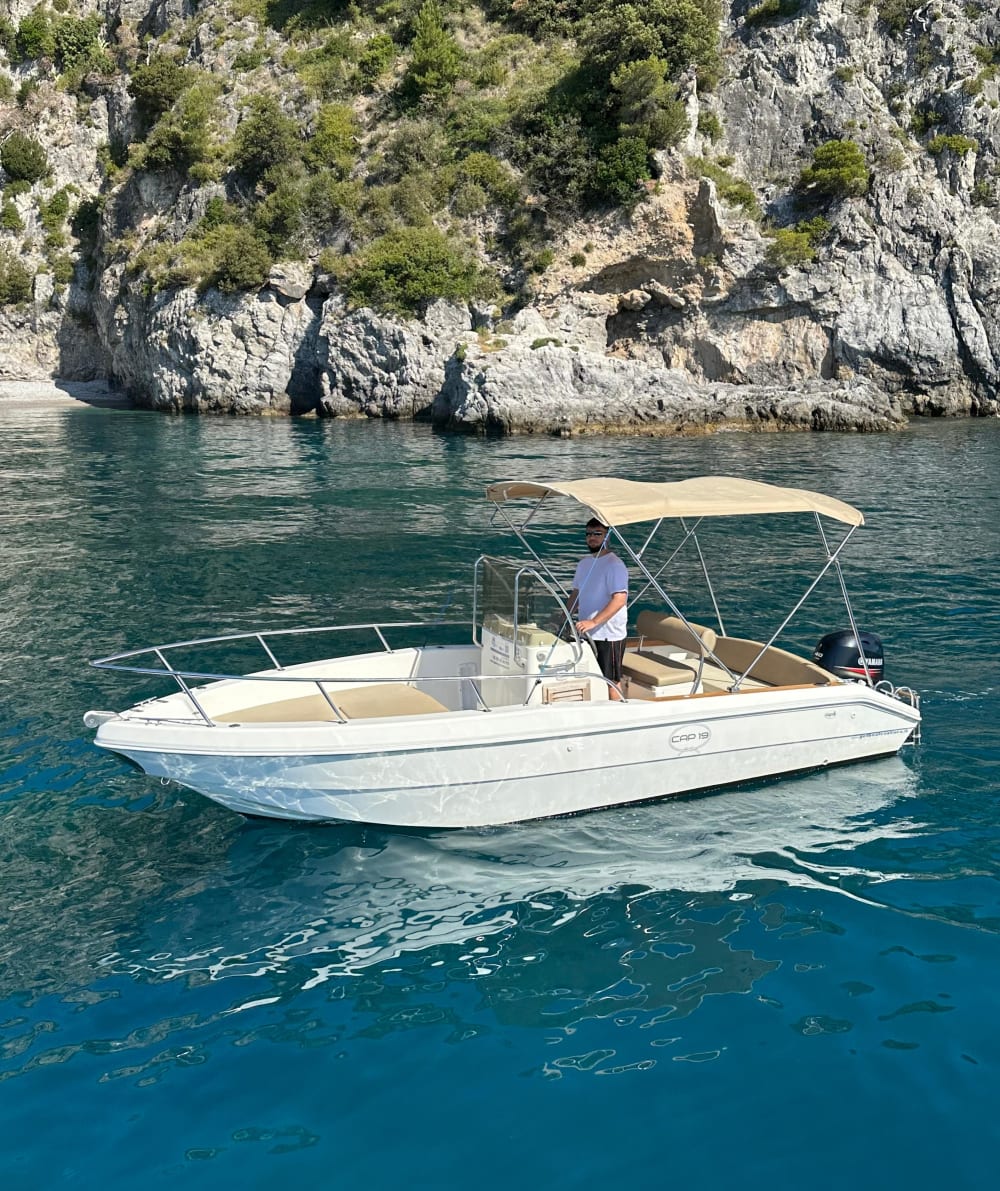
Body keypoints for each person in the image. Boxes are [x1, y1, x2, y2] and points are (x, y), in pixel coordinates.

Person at [569, 518, 629, 699]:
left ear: (607, 536)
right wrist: (564, 616)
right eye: (589, 534)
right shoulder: (584, 564)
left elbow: (619, 599)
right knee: (591, 677)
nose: (592, 538)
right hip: (587, 632)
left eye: (597, 534)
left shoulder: (615, 565)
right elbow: (576, 594)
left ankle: (618, 715)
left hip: (608, 634)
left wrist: (593, 622)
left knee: (610, 680)